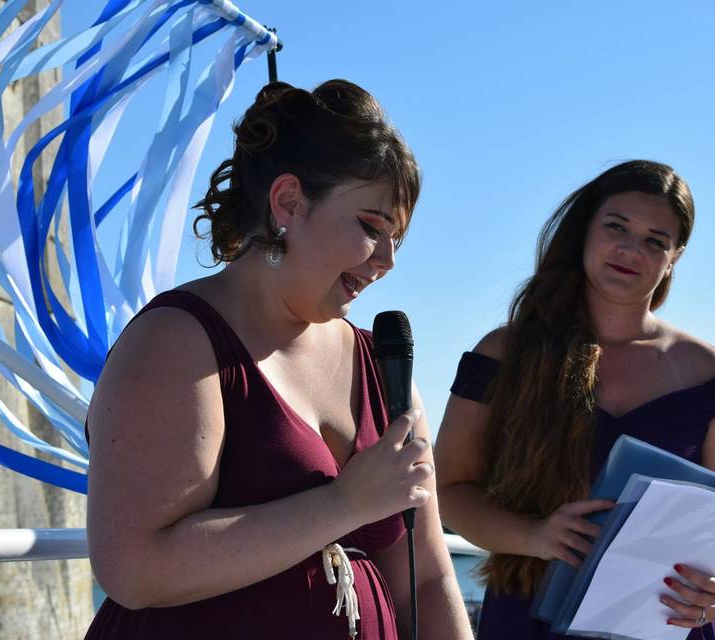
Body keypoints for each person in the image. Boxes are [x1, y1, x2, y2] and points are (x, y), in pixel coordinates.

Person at [85, 80, 472, 639]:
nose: (386, 260)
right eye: (370, 227)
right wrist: (344, 504)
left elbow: (429, 581)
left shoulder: (382, 371)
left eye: (398, 240)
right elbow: (134, 568)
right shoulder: (175, 341)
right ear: (288, 201)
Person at [434, 160, 715, 640]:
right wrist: (535, 535)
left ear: (675, 257)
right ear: (585, 231)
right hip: (529, 616)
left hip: (666, 621)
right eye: (617, 227)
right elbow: (452, 492)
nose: (632, 249)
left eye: (656, 240)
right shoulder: (503, 355)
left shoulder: (711, 373)